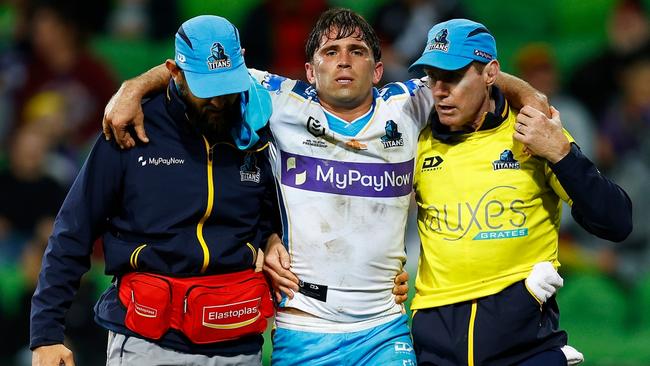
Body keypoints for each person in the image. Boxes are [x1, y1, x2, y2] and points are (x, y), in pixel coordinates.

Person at [102, 9, 549, 365]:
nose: (343, 59)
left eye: (356, 51)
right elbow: (194, 68)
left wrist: (527, 94)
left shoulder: (411, 102)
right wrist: (131, 88)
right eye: (330, 50)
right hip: (303, 326)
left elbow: (475, 75)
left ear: (377, 71)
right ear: (309, 71)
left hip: (384, 326)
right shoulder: (278, 100)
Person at [30, 15, 277, 366]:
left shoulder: (258, 125)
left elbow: (274, 214)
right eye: (206, 90)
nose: (220, 101)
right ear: (174, 73)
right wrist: (47, 334)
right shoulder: (130, 129)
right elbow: (73, 230)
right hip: (147, 340)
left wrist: (270, 238)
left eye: (227, 86)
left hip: (236, 341)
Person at [407, 19, 633, 365]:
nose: (439, 90)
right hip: (437, 351)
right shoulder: (416, 141)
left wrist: (560, 153)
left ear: (490, 73)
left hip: (524, 350)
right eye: (432, 77)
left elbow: (616, 222)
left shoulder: (534, 133)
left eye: (452, 76)